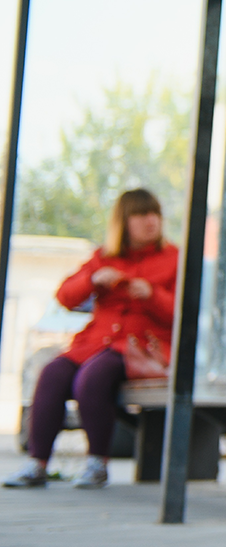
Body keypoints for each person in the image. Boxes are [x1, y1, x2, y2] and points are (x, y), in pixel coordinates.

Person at [6, 189, 179, 490]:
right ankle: (38, 464)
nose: (150, 221)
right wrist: (92, 280)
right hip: (94, 344)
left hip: (140, 347)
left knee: (92, 378)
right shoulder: (104, 258)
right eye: (140, 214)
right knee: (51, 373)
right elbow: (65, 296)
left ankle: (97, 464)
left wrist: (152, 295)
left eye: (154, 214)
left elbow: (183, 313)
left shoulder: (174, 258)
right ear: (124, 221)